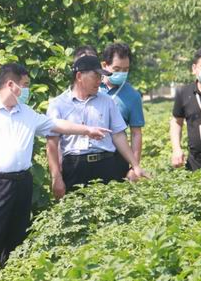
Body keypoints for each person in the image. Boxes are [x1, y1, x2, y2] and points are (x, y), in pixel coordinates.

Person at [0, 63, 110, 267]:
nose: (27, 90)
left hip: (22, 181)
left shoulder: (26, 113)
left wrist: (87, 130)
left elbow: (56, 125)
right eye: (25, 85)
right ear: (11, 85)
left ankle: (11, 276)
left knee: (18, 235)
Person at [46, 55, 148, 199]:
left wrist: (135, 165)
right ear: (79, 76)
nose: (99, 81)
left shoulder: (107, 101)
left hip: (107, 164)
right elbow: (52, 143)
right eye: (95, 76)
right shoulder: (58, 104)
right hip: (75, 168)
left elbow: (118, 135)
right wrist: (56, 176)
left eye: (100, 77)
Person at [99, 43, 145, 180]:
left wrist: (134, 167)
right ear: (104, 65)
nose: (121, 74)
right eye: (117, 69)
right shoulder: (93, 89)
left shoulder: (133, 96)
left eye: (125, 70)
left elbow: (136, 133)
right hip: (90, 156)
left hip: (117, 158)